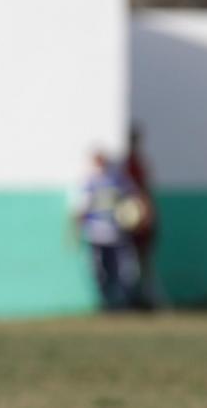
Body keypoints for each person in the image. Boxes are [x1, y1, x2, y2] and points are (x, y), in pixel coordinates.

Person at [74, 150, 142, 311]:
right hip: (95, 234)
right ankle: (106, 303)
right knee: (99, 271)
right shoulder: (89, 182)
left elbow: (133, 199)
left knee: (122, 270)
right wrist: (76, 231)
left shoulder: (117, 179)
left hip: (116, 233)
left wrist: (135, 218)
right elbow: (81, 209)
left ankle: (124, 302)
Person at [124, 125, 162, 310]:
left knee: (143, 262)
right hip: (132, 222)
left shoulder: (137, 163)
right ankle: (137, 298)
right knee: (132, 263)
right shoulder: (128, 165)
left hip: (141, 222)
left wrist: (148, 216)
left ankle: (147, 298)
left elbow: (144, 192)